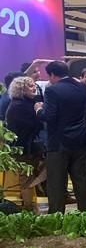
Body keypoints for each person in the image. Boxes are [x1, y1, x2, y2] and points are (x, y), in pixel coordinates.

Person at [35, 61, 86, 213]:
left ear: (53, 74)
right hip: (80, 140)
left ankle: (57, 217)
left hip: (58, 143)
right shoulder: (82, 87)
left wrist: (38, 110)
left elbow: (49, 116)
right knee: (81, 180)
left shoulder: (52, 90)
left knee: (57, 183)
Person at [5, 76, 45, 212]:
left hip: (29, 148)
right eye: (30, 86)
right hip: (23, 150)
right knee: (26, 180)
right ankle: (30, 209)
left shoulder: (25, 103)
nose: (34, 88)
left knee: (31, 178)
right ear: (21, 89)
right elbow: (33, 125)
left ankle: (32, 208)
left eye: (34, 85)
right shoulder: (19, 106)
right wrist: (39, 111)